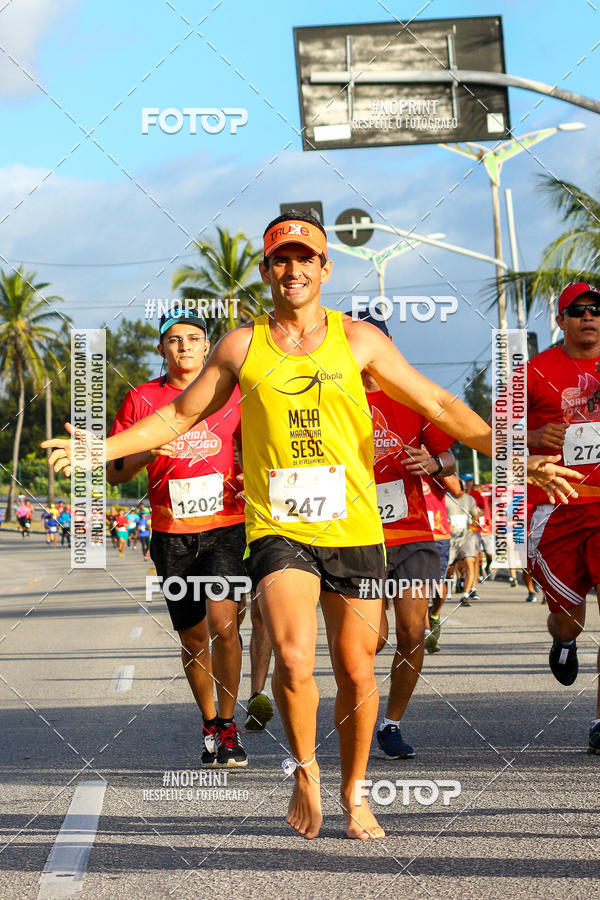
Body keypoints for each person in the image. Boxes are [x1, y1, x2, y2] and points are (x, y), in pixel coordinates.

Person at [43, 211, 582, 839]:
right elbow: (180, 416)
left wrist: (514, 457)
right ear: (266, 271)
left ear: (325, 268)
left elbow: (437, 403)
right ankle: (305, 770)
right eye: (280, 259)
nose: (292, 269)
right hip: (278, 528)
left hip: (353, 529)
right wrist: (101, 452)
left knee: (355, 669)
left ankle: (355, 792)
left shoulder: (359, 342)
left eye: (305, 258)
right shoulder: (242, 347)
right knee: (295, 659)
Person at [106, 309, 248, 769]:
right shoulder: (142, 399)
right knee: (192, 638)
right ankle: (209, 721)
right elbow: (115, 472)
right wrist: (150, 448)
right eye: (174, 340)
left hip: (226, 525)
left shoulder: (233, 392)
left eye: (193, 338)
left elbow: (253, 448)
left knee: (226, 625)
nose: (184, 346)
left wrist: (248, 476)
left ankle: (228, 726)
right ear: (161, 349)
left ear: (208, 347)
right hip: (172, 534)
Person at [356, 310, 456, 759]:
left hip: (413, 532)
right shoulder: (333, 399)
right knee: (370, 640)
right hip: (356, 534)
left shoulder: (412, 396)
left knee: (412, 633)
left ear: (389, 343)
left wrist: (435, 465)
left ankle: (391, 723)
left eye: (377, 337)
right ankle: (357, 709)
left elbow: (449, 458)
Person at [525, 282, 600, 753]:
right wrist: (537, 434)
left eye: (596, 310)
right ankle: (565, 641)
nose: (589, 317)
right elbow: (500, 441)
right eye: (578, 311)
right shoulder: (533, 372)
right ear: (561, 320)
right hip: (559, 509)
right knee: (569, 619)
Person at [422, 471, 462, 651]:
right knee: (417, 583)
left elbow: (457, 491)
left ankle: (435, 614)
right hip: (413, 534)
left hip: (438, 534)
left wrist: (435, 465)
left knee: (438, 583)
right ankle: (426, 631)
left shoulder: (436, 462)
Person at [445, 480, 479, 606]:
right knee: (448, 569)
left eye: (462, 490)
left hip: (466, 537)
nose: (460, 492)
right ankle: (447, 585)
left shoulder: (470, 499)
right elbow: (439, 516)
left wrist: (474, 521)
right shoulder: (445, 499)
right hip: (450, 539)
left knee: (470, 562)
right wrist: (447, 525)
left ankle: (465, 595)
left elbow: (475, 514)